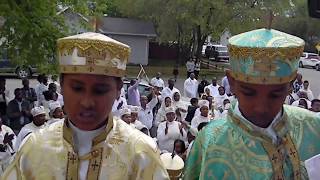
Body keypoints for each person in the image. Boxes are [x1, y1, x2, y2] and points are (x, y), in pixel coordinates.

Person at [2, 32, 169, 179]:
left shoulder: (141, 153)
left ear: (118, 90)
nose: (87, 102)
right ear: (62, 85)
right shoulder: (34, 148)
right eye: (77, 88)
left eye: (100, 90)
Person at [184, 28, 320, 179]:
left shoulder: (314, 127)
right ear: (232, 82)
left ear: (291, 85)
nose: (261, 108)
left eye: (275, 94)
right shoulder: (209, 141)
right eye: (249, 93)